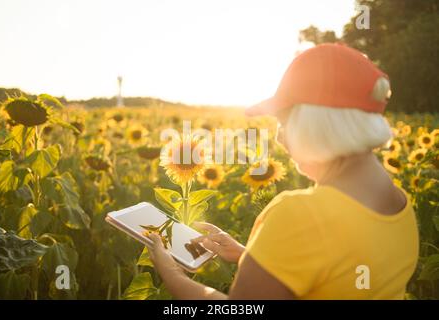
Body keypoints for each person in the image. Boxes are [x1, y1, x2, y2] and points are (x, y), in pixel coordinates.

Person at [146, 43, 419, 300]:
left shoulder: (299, 213)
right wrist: (250, 255)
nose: (279, 138)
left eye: (284, 123)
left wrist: (171, 273)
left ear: (315, 123)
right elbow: (338, 275)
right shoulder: (401, 206)